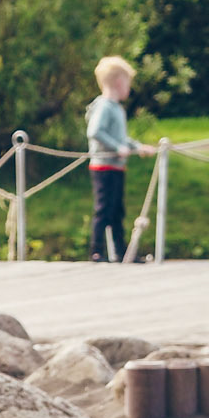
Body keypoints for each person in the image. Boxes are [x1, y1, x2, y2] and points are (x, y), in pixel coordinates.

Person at [85, 55, 151, 263]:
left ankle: (121, 252)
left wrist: (137, 147)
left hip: (116, 167)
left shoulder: (117, 108)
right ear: (119, 81)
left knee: (117, 211)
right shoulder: (104, 106)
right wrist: (116, 148)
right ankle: (97, 251)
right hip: (104, 167)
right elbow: (95, 131)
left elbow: (121, 138)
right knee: (103, 209)